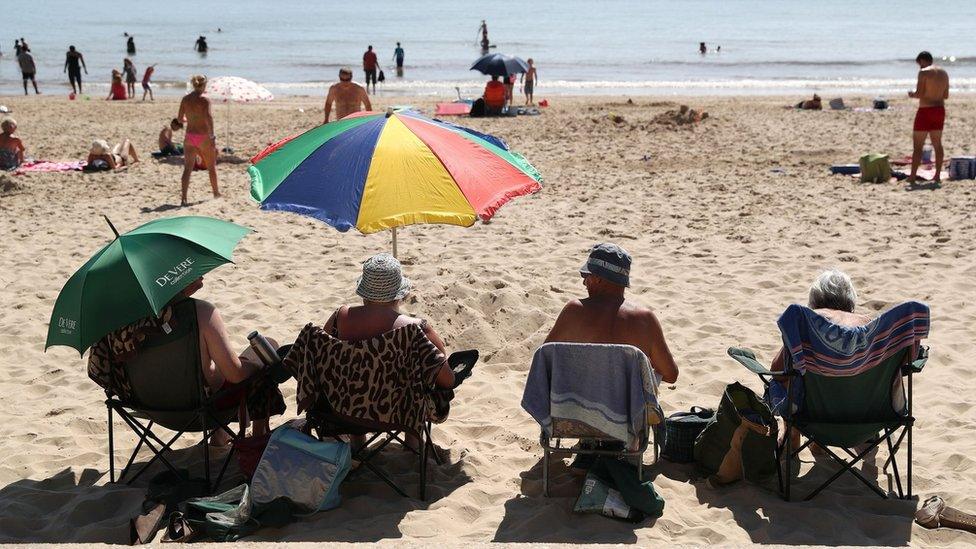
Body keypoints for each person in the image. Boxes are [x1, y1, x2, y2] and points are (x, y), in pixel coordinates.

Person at [88, 276, 286, 443]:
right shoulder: (201, 313)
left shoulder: (121, 324)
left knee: (215, 363)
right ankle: (256, 437)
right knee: (266, 350)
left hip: (151, 409)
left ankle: (220, 433)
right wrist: (253, 366)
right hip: (203, 410)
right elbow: (235, 375)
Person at [322, 253, 455, 448]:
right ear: (400, 293)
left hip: (343, 410)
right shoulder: (416, 328)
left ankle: (357, 442)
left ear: (363, 292)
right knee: (421, 382)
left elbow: (324, 360)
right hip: (398, 414)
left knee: (354, 373)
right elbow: (446, 377)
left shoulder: (338, 318)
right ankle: (412, 442)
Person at [545, 243, 680, 385]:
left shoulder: (574, 311)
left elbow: (544, 360)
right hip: (626, 407)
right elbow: (670, 374)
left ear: (597, 278)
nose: (584, 282)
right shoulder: (645, 319)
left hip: (575, 405)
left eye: (586, 276)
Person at [177, 75, 219, 206]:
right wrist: (212, 136)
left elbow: (179, 119)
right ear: (204, 85)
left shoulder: (185, 99)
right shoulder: (205, 100)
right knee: (211, 167)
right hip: (203, 136)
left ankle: (184, 198)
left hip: (189, 136)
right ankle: (216, 193)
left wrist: (189, 119)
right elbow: (209, 118)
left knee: (187, 169)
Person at [908, 51, 949, 185]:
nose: (919, 67)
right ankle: (937, 175)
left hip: (926, 110)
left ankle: (913, 176)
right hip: (939, 110)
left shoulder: (923, 72)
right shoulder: (944, 73)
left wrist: (912, 94)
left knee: (918, 146)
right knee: (937, 144)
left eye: (919, 64)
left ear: (922, 61)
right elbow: (946, 95)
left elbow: (919, 94)